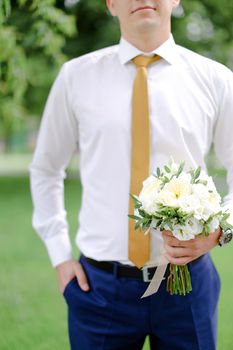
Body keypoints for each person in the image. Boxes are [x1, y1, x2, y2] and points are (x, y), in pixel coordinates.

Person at [30, 1, 233, 349]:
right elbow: (46, 168)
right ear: (111, 4)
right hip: (99, 288)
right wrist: (60, 256)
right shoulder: (76, 77)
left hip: (187, 283)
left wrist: (219, 232)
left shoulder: (216, 79)